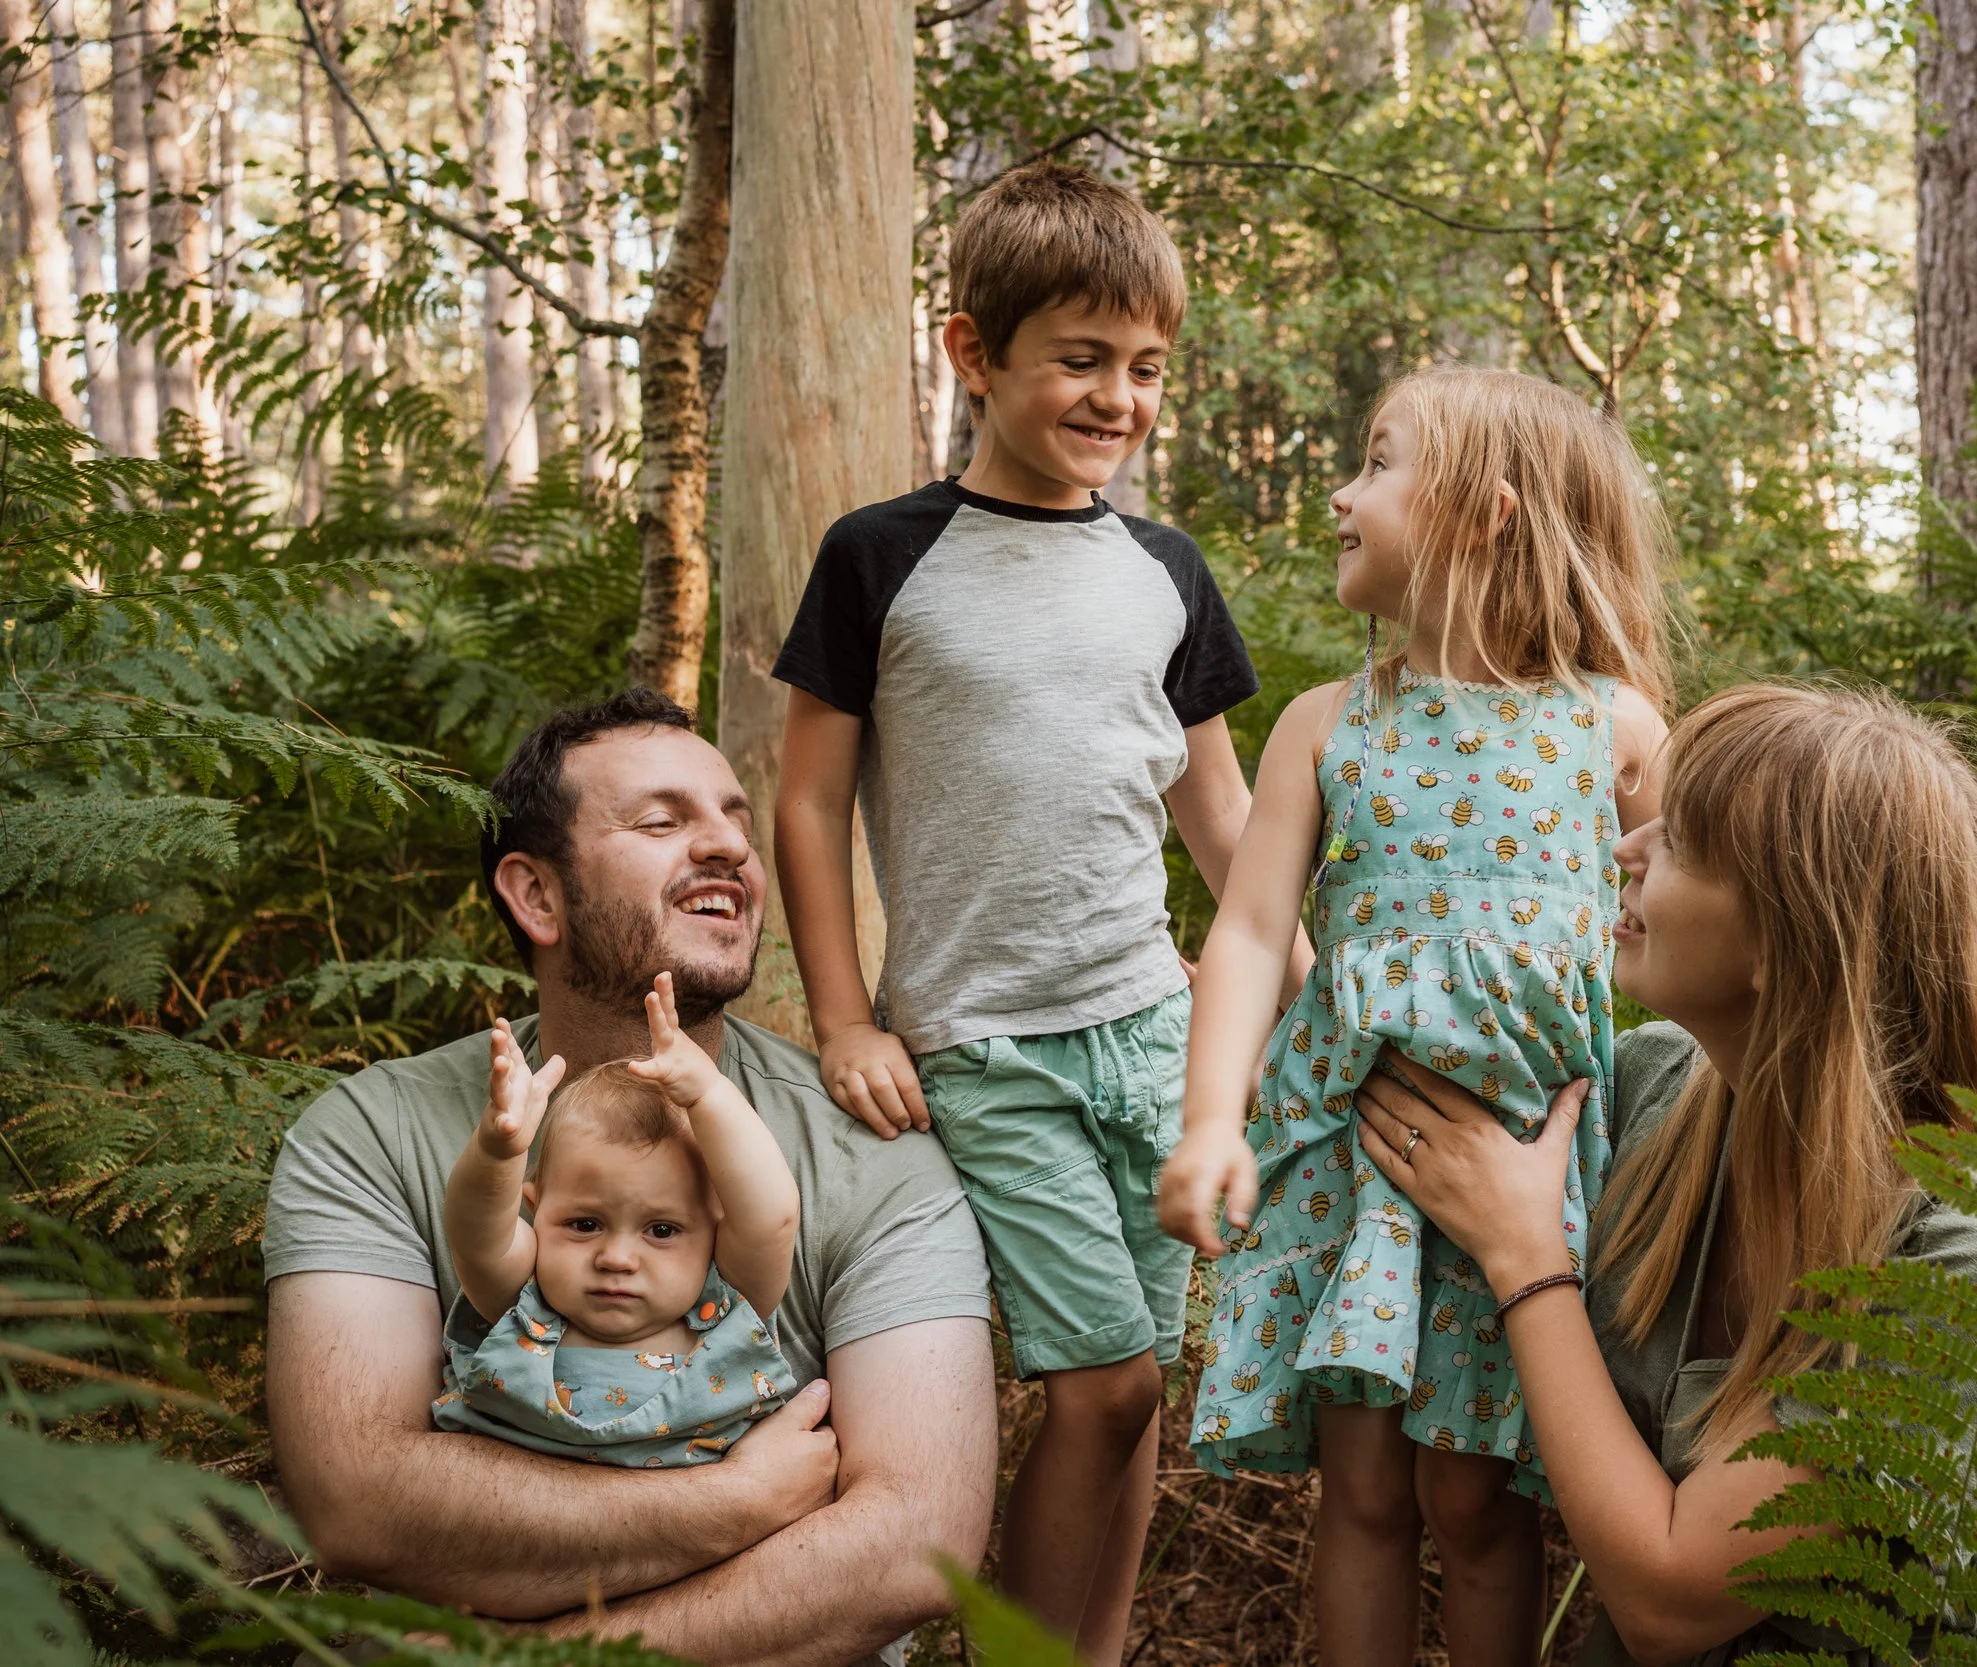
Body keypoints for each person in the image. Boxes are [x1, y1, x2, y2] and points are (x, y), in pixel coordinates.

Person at [771, 161, 1288, 1663]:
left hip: (1155, 1032)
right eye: (1079, 357)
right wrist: (844, 1012)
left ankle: (1093, 1648)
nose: (1117, 397)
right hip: (987, 1046)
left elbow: (1222, 813)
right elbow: (808, 799)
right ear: (972, 352)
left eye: (1144, 368)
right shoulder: (885, 556)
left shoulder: (1165, 570)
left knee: (1134, 1402)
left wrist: (1301, 982)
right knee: (1104, 1383)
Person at [262, 689, 996, 1666]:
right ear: (536, 895)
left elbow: (914, 1547)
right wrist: (734, 1502)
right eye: (663, 820)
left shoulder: (875, 1147)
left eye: (737, 819)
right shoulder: (370, 1132)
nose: (729, 846)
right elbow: (357, 1501)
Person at [1352, 683, 1977, 1666]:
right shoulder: (1652, 1086)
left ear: (1784, 935)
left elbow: (1670, 1595)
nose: (1622, 850)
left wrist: (1525, 1257)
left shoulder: (1959, 1263)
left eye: (1676, 839)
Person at [1156, 365, 1672, 1666]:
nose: (1340, 489)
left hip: (1526, 1165)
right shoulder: (1330, 727)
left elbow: (1683, 931)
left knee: (1481, 1502)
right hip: (1355, 1149)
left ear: (1485, 514)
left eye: (1377, 462)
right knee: (1371, 1491)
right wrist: (1214, 1119)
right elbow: (1255, 927)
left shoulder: (1610, 727)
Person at [431, 972, 801, 1467]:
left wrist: (708, 1093)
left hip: (706, 1531)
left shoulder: (728, 1306)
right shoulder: (520, 1302)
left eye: (662, 1230)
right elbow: (475, 1233)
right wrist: (497, 1152)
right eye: (585, 1225)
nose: (617, 1258)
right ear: (534, 1212)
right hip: (512, 1525)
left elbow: (772, 1215)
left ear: (716, 1224)